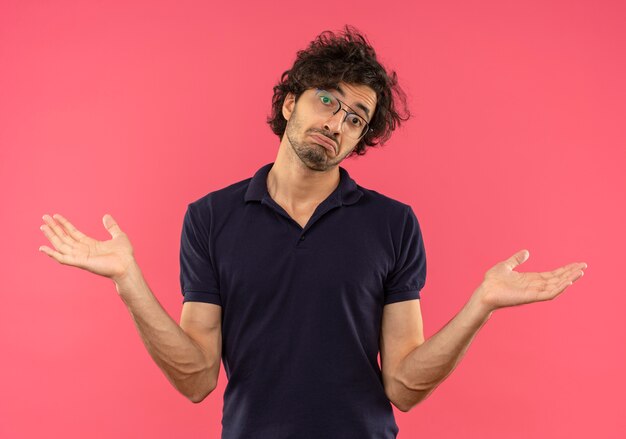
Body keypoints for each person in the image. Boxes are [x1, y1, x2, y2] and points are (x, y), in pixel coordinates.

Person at [38, 25, 587, 439]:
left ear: (359, 140)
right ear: (288, 102)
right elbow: (198, 378)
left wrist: (480, 306)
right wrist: (129, 282)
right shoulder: (210, 216)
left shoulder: (393, 223)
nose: (336, 122)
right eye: (327, 99)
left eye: (355, 118)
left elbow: (402, 385)